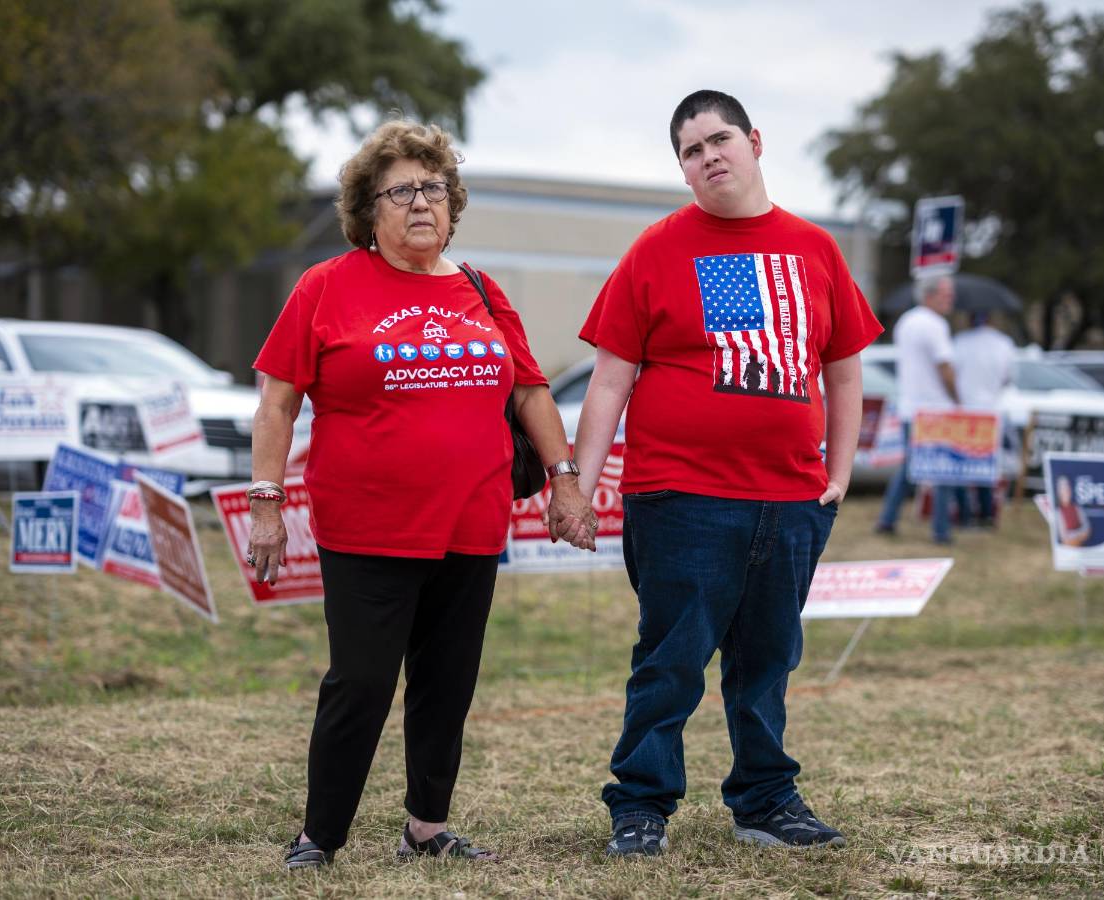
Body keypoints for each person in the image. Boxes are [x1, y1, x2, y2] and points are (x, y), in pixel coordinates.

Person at [247, 119, 596, 870]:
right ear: (367, 211)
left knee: (446, 684)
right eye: (398, 190)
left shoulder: (480, 289)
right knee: (362, 682)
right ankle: (321, 836)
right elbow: (277, 402)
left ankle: (426, 829)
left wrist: (564, 482)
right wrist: (266, 502)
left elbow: (533, 392)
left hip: (472, 524)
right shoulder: (325, 288)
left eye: (432, 187)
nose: (419, 203)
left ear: (452, 200)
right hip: (367, 526)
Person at [570, 90, 882, 856]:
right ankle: (640, 805)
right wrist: (577, 485)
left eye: (718, 139)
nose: (708, 156)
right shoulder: (659, 249)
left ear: (755, 142)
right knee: (670, 660)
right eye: (690, 150)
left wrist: (836, 476)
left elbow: (843, 372)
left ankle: (765, 801)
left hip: (789, 498)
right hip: (680, 496)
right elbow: (610, 378)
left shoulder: (813, 248)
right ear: (683, 171)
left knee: (768, 660)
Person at [875, 275, 959, 543]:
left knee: (911, 467)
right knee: (942, 469)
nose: (950, 299)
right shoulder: (936, 325)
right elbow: (944, 367)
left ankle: (887, 519)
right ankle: (941, 530)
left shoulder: (906, 321)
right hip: (935, 408)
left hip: (911, 406)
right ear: (930, 295)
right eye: (946, 294)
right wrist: (957, 398)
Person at [952, 311, 1015, 526]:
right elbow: (1008, 378)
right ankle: (987, 513)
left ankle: (964, 514)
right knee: (985, 467)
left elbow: (952, 374)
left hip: (965, 412)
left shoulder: (960, 341)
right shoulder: (1004, 343)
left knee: (961, 466)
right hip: (991, 413)